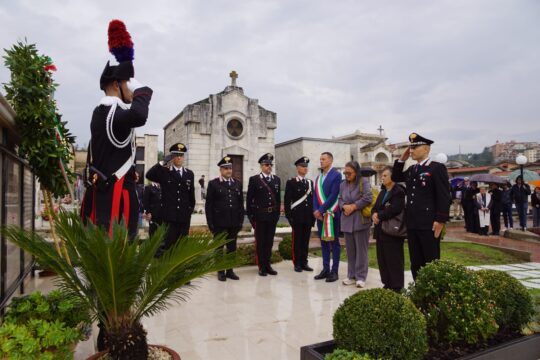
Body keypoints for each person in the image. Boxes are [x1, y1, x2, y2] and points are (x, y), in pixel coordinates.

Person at [81, 20, 153, 242]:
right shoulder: (109, 111)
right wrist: (142, 90)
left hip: (111, 197)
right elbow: (139, 116)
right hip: (113, 203)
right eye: (127, 83)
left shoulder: (105, 112)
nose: (131, 90)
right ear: (115, 85)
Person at [392, 133, 451, 280]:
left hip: (429, 223)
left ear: (426, 149)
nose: (411, 150)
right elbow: (396, 177)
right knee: (416, 261)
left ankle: (432, 294)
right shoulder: (413, 170)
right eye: (410, 147)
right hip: (413, 223)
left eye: (414, 147)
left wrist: (441, 220)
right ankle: (419, 289)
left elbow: (443, 195)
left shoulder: (436, 168)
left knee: (430, 260)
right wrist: (402, 159)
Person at [146, 143, 195, 256]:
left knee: (181, 246)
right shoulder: (165, 172)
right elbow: (149, 175)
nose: (179, 157)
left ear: (183, 157)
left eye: (181, 155)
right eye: (176, 155)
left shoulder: (189, 174)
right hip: (169, 217)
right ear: (172, 157)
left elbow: (191, 195)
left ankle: (180, 271)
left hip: (184, 217)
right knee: (169, 246)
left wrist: (189, 211)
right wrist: (162, 162)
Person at [205, 156, 244, 281]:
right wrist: (210, 224)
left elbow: (240, 205)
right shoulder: (213, 184)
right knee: (219, 248)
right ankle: (220, 271)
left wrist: (240, 221)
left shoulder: (237, 184)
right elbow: (209, 206)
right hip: (219, 223)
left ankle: (230, 270)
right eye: (226, 168)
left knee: (232, 248)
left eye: (230, 168)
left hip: (233, 222)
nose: (229, 170)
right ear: (221, 170)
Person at [372, 166, 406, 292]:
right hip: (381, 230)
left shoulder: (399, 191)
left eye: (385, 175)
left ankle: (397, 286)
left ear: (392, 177)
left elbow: (395, 208)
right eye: (382, 176)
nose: (382, 178)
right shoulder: (382, 192)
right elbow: (375, 207)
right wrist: (374, 214)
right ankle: (387, 283)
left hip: (393, 231)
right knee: (383, 259)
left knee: (394, 259)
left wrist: (379, 215)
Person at [338, 161, 372, 288]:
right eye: (345, 173)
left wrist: (353, 206)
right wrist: (344, 206)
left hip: (360, 221)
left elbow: (368, 197)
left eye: (349, 173)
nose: (346, 175)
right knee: (350, 250)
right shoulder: (342, 185)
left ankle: (361, 277)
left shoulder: (364, 182)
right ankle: (351, 275)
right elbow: (340, 199)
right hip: (346, 221)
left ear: (356, 172)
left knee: (361, 251)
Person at [246, 153, 281, 276]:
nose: (269, 167)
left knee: (269, 241)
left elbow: (277, 199)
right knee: (261, 242)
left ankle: (268, 264)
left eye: (270, 164)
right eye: (266, 165)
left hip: (272, 217)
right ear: (261, 166)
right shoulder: (255, 180)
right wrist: (251, 217)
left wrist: (277, 215)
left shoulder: (276, 179)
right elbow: (249, 200)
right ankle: (261, 266)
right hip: (260, 216)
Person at [313, 152, 342, 283]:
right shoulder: (318, 178)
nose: (321, 161)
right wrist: (315, 211)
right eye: (320, 159)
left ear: (330, 160)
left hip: (332, 214)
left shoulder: (336, 175)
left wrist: (321, 209)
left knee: (334, 242)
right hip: (320, 215)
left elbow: (333, 194)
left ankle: (334, 271)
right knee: (323, 242)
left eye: (323, 159)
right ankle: (325, 269)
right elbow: (314, 196)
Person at [284, 156, 315, 272]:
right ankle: (297, 263)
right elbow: (287, 201)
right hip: (297, 217)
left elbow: (312, 200)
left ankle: (304, 262)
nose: (305, 168)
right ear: (297, 168)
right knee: (297, 241)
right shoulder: (291, 182)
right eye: (303, 166)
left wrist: (313, 218)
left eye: (306, 166)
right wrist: (289, 217)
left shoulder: (310, 183)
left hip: (307, 217)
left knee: (306, 241)